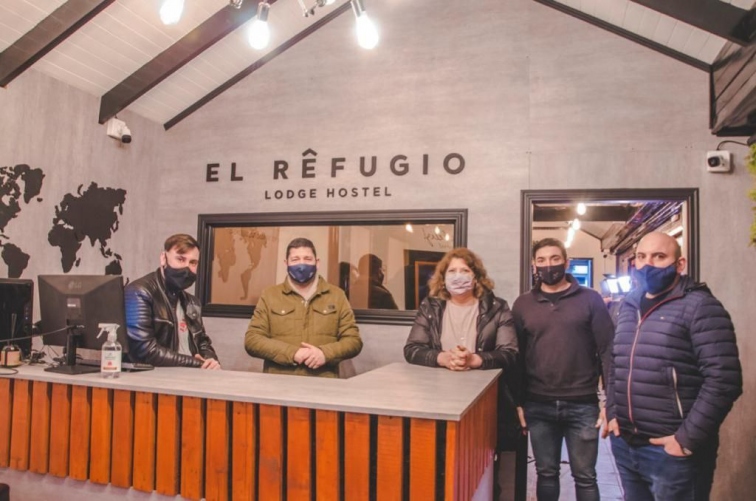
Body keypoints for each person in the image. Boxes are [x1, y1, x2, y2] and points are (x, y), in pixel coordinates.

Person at [604, 231, 742, 500]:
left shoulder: (700, 307)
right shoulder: (628, 305)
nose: (648, 264)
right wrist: (612, 411)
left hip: (671, 453)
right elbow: (617, 363)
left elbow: (724, 380)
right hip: (627, 444)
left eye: (659, 257)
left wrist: (686, 440)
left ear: (680, 264)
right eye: (641, 257)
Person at [403, 247, 519, 499]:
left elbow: (509, 352)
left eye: (464, 270)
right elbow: (412, 349)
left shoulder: (497, 307)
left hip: (485, 405)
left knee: (481, 471)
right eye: (452, 271)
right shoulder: (431, 306)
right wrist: (442, 358)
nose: (458, 276)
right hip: (438, 402)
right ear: (443, 278)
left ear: (476, 277)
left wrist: (476, 359)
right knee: (440, 469)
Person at [512, 237, 613, 501]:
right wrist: (518, 402)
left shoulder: (591, 299)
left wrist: (610, 401)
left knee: (586, 476)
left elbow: (607, 351)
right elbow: (517, 357)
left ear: (566, 262)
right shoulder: (523, 304)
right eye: (542, 260)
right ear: (534, 265)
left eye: (555, 259)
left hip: (583, 404)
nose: (549, 265)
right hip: (538, 403)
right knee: (546, 474)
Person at [244, 237, 362, 377]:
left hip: (324, 383)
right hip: (278, 383)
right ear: (286, 263)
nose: (301, 265)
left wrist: (325, 353)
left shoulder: (337, 295)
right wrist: (293, 353)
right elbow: (253, 340)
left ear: (317, 262)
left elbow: (353, 341)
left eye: (307, 259)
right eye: (295, 259)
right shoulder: (270, 295)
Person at [125, 234, 220, 369]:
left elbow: (202, 342)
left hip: (189, 376)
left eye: (193, 263)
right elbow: (145, 350)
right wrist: (196, 364)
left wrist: (210, 361)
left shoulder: (192, 302)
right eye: (180, 259)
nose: (186, 268)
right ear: (163, 258)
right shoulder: (139, 292)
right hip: (154, 378)